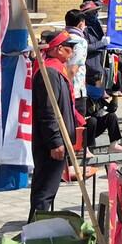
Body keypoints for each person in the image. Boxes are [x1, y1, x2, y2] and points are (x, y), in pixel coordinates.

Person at [30, 29, 81, 219]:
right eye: (69, 47)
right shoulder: (49, 73)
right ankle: (36, 227)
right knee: (44, 191)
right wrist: (55, 141)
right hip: (50, 143)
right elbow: (47, 111)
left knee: (47, 190)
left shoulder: (57, 70)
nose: (72, 52)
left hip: (59, 139)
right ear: (58, 49)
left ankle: (39, 224)